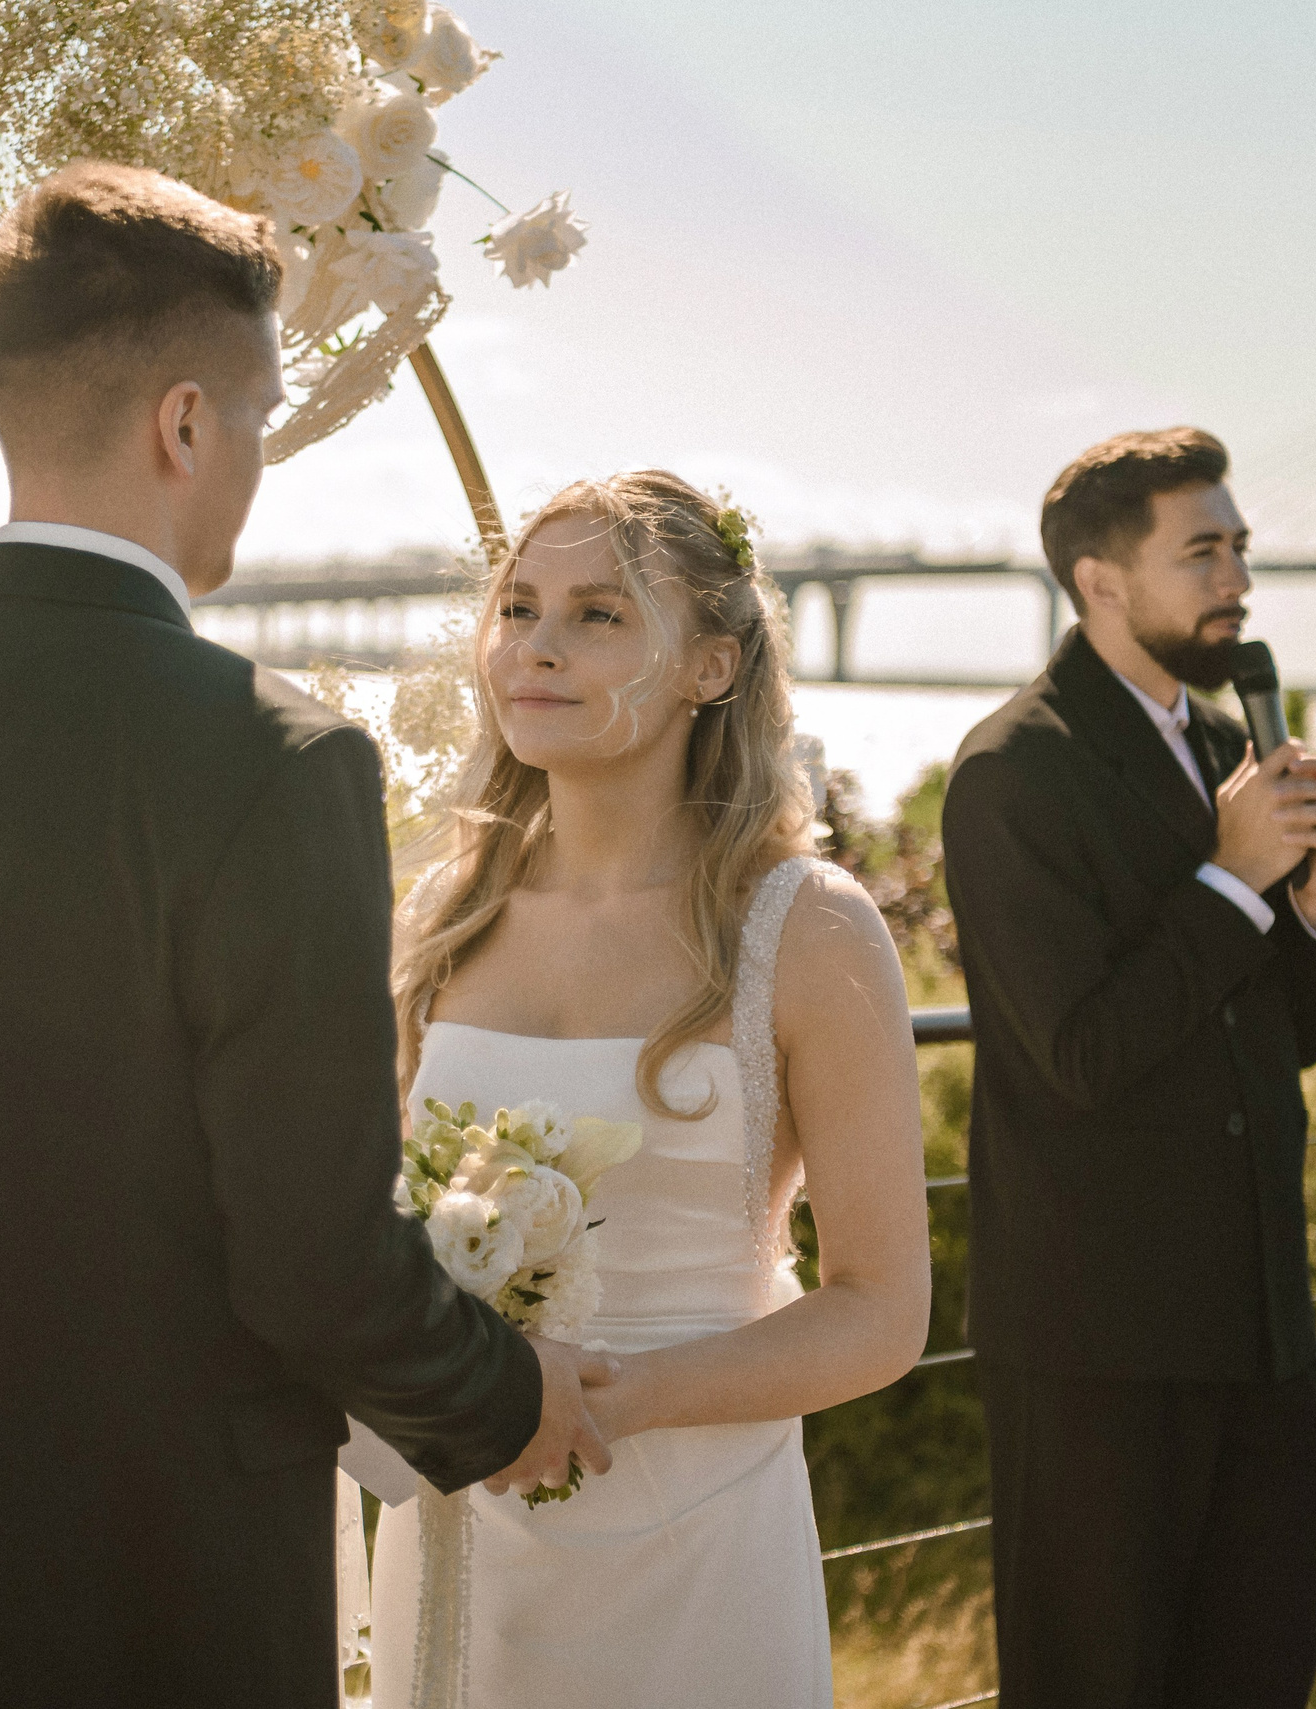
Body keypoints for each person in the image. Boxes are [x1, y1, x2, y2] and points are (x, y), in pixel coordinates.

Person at [0, 161, 613, 1709]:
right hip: (154, 1580)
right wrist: (506, 1402)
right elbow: (312, 1261)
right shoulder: (280, 763)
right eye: (259, 418)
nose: (260, 459)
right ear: (184, 424)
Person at [362, 471, 935, 1707]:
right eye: (516, 607)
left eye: (599, 615)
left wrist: (603, 1399)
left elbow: (883, 1310)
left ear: (710, 667)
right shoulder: (440, 916)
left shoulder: (803, 927)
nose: (536, 647)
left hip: (696, 1542)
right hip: (466, 1519)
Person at [941, 427, 1316, 1709]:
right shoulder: (1013, 771)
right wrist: (1234, 877)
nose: (1234, 575)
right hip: (1097, 1347)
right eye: (1201, 550)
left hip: (1257, 1329)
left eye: (1237, 545)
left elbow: (1284, 1035)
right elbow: (1080, 1051)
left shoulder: (1223, 745)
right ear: (1101, 582)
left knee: (1255, 1678)